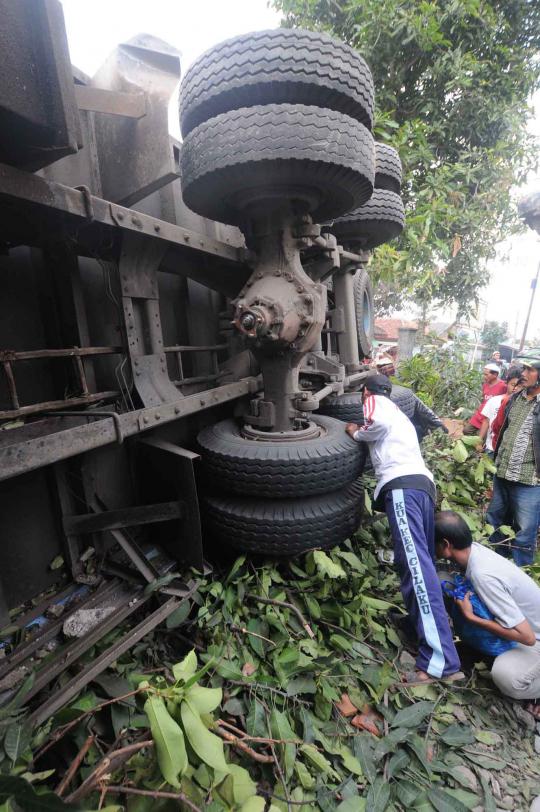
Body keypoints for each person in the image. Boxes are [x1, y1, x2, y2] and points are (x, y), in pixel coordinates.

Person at [346, 374, 462, 683]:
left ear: (366, 391)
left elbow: (376, 427)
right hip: (422, 486)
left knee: (415, 566)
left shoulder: (375, 401)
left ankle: (441, 663)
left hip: (403, 487)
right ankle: (418, 627)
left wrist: (357, 433)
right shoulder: (399, 411)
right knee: (415, 561)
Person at [435, 510, 540, 717]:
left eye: (433, 543)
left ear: (447, 545)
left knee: (507, 677)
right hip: (523, 626)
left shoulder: (483, 574)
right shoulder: (475, 552)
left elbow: (526, 637)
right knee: (441, 580)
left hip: (533, 638)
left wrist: (472, 618)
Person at [487, 359, 540, 566]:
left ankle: (522, 572)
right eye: (524, 369)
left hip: (529, 479)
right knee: (494, 522)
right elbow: (501, 428)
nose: (524, 373)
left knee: (525, 531)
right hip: (503, 473)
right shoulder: (514, 399)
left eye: (531, 370)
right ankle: (494, 563)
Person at [477, 368, 521, 456]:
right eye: (512, 384)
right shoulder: (494, 401)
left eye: (519, 386)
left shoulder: (522, 406)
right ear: (507, 384)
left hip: (509, 452)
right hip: (491, 448)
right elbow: (486, 421)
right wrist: (478, 441)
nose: (515, 388)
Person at [464, 363, 507, 436]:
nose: (484, 377)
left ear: (495, 375)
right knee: (466, 430)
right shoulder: (485, 384)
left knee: (482, 436)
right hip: (480, 413)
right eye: (484, 374)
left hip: (490, 415)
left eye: (486, 374)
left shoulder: (503, 386)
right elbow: (484, 399)